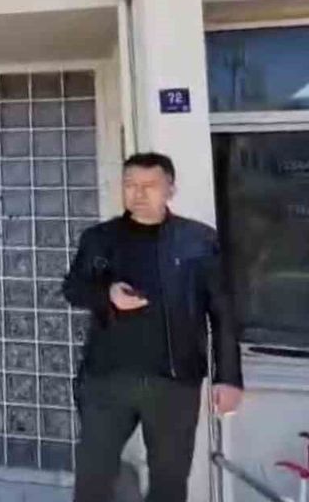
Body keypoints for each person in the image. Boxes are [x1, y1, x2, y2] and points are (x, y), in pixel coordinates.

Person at [64, 152, 243, 502]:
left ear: (170, 189)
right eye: (130, 185)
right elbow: (73, 288)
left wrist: (229, 377)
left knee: (169, 482)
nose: (138, 193)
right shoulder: (100, 238)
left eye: (149, 185)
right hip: (108, 380)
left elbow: (222, 310)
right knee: (93, 477)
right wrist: (107, 294)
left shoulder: (197, 240)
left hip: (173, 382)